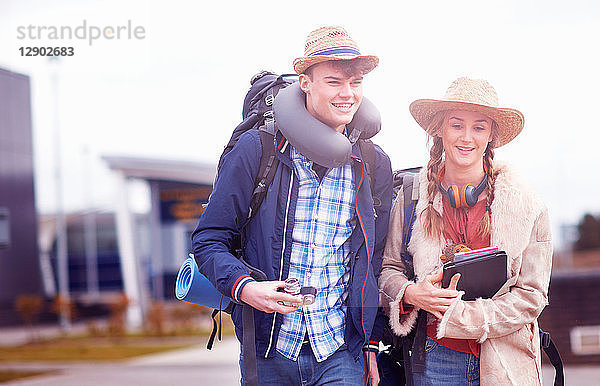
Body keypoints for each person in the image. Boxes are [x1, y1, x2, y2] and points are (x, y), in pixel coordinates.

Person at [192, 26, 393, 385]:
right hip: (270, 351)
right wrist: (246, 287)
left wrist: (370, 343)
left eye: (356, 83)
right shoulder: (258, 150)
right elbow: (208, 240)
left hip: (339, 353)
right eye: (334, 82)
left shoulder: (373, 163)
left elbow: (373, 262)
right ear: (305, 82)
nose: (347, 94)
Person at [378, 77, 552, 385]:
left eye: (479, 127)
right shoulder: (410, 196)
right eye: (457, 125)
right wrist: (413, 294)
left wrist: (466, 319)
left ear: (491, 137)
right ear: (440, 130)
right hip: (436, 357)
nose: (467, 138)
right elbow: (387, 271)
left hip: (505, 357)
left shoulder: (527, 203)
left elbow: (532, 295)